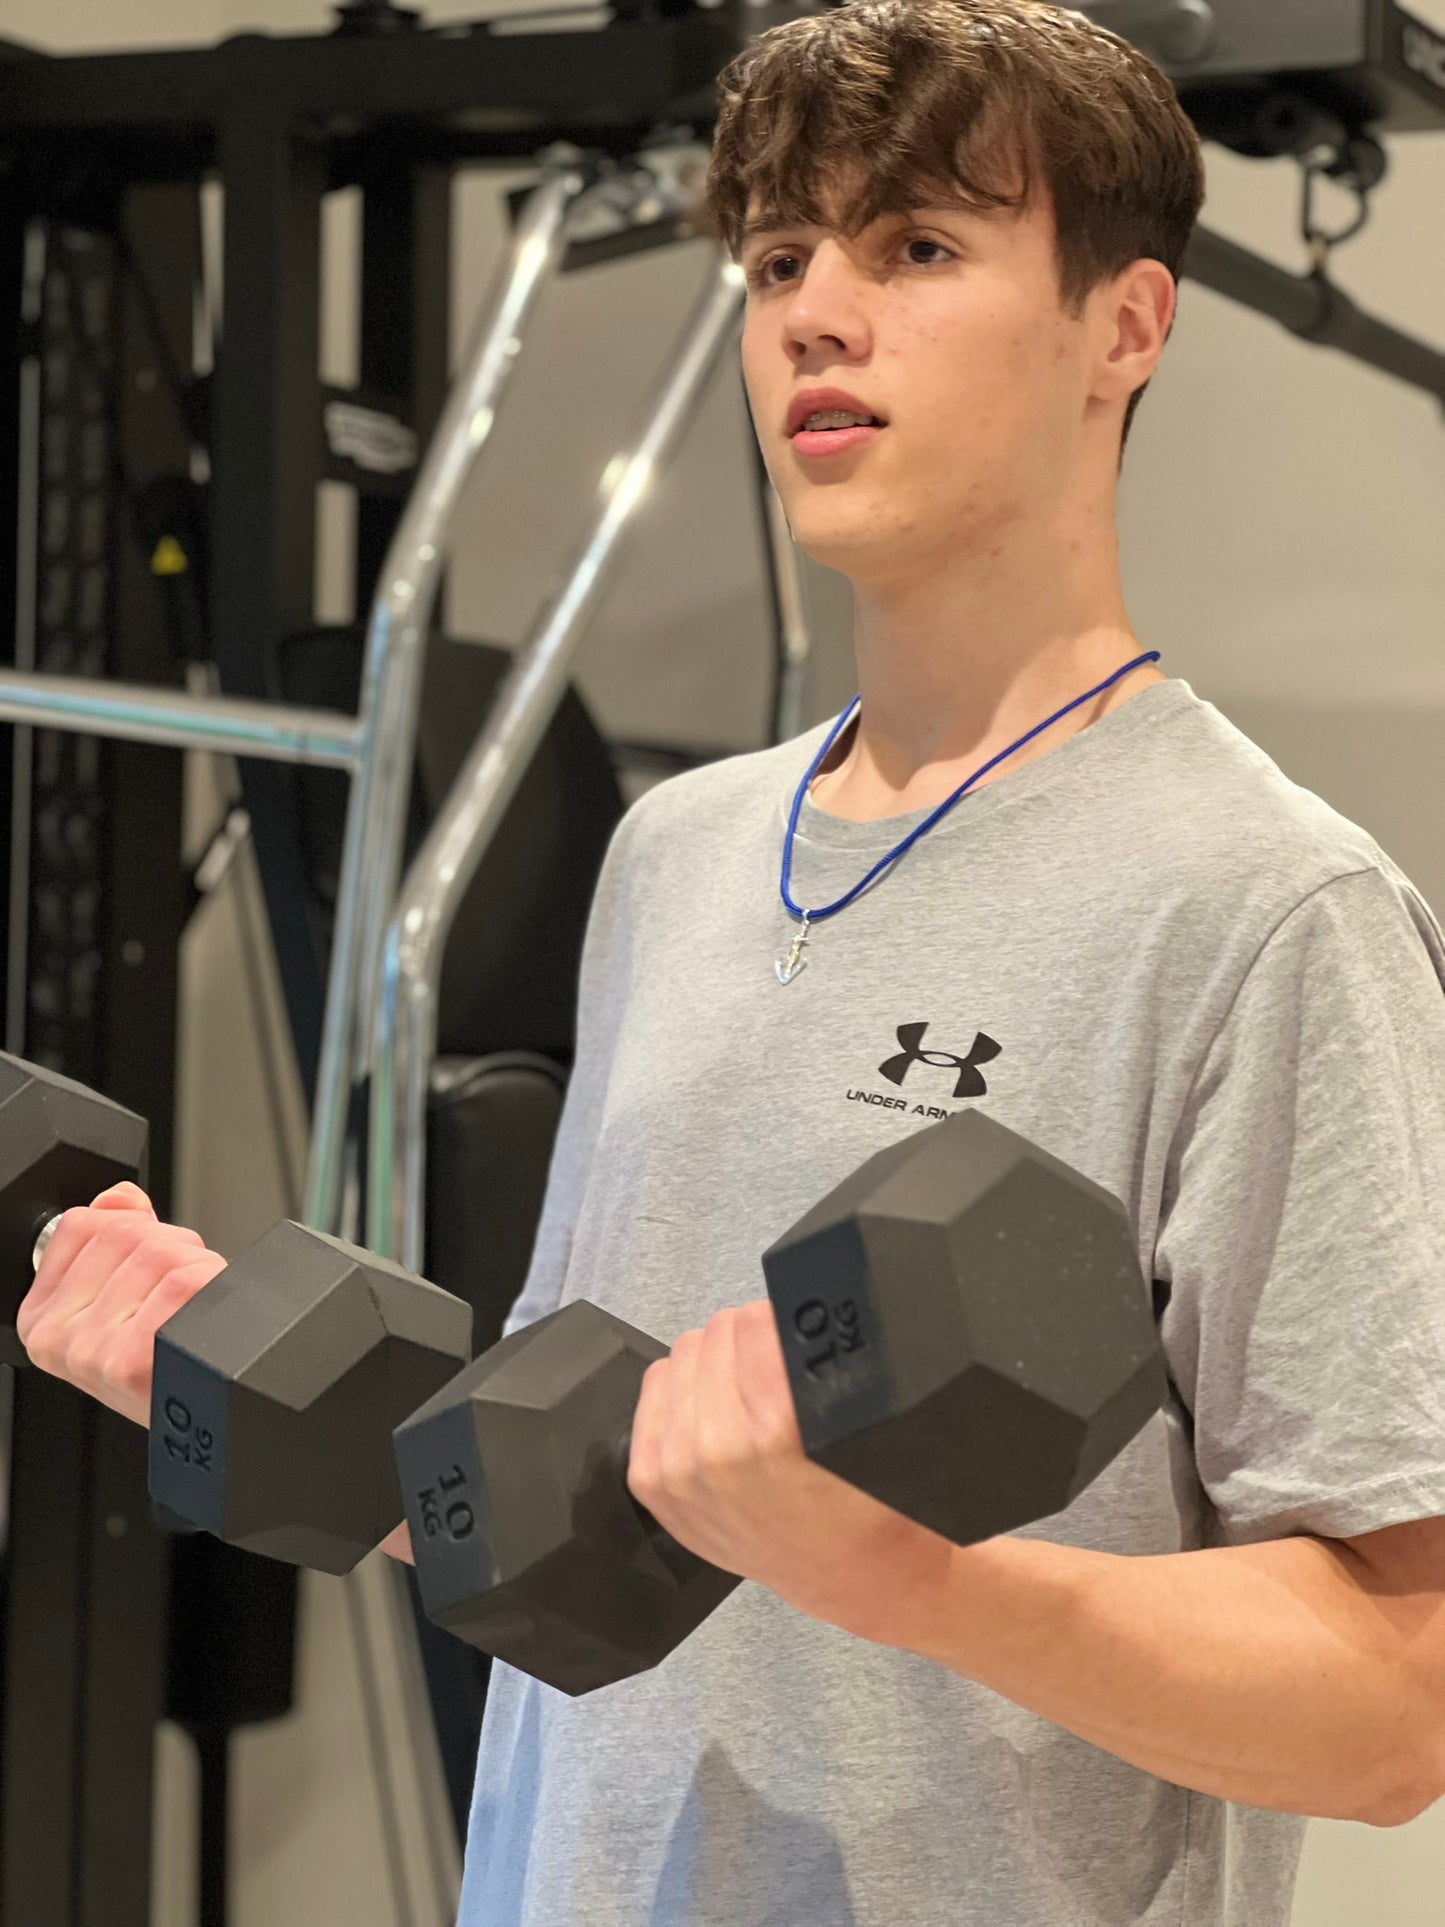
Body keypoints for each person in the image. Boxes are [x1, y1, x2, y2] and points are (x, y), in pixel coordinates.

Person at [17, 2, 1445, 1921]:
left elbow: (1392, 1706)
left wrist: (911, 1584)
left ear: (1124, 325)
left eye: (916, 248)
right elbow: (565, 1515)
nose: (812, 315)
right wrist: (228, 1377)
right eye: (781, 257)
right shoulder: (673, 854)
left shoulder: (1269, 909)